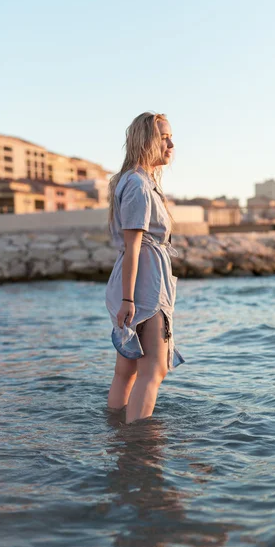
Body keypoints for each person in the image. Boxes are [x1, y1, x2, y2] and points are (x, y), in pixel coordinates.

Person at [105, 112, 185, 424]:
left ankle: (115, 432)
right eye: (164, 137)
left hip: (138, 280)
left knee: (126, 369)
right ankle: (136, 446)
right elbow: (133, 244)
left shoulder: (137, 181)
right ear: (146, 140)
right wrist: (129, 299)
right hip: (145, 285)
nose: (171, 144)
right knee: (154, 367)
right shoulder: (138, 185)